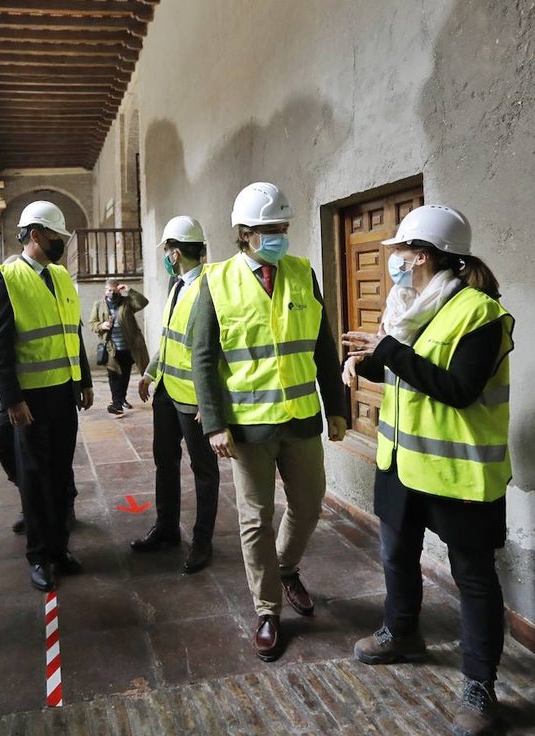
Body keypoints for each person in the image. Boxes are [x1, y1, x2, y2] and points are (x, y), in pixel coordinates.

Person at [341, 205, 514, 736]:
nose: (391, 258)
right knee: (396, 555)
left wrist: (389, 350)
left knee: (474, 580)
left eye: (399, 250)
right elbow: (399, 366)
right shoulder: (406, 306)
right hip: (401, 462)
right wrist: (365, 360)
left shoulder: (480, 313)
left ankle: (480, 689)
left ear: (421, 256)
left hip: (457, 472)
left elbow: (458, 389)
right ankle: (402, 633)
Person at [192, 181, 347, 662]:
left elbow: (322, 345)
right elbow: (203, 357)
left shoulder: (302, 273)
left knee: (309, 505)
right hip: (247, 427)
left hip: (301, 419)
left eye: (283, 227)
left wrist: (337, 406)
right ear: (245, 233)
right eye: (269, 229)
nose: (279, 236)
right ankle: (267, 610)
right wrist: (214, 423)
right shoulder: (216, 280)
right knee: (254, 519)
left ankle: (285, 567)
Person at [0, 200, 93, 592]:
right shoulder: (5, 279)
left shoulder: (60, 276)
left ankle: (59, 549)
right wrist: (12, 400)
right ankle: (39, 556)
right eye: (56, 235)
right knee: (34, 477)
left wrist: (84, 380)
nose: (61, 242)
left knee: (61, 473)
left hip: (63, 392)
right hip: (30, 399)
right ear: (35, 235)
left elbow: (71, 330)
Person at [133, 216, 221, 574]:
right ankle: (166, 528)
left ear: (175, 253)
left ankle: (202, 540)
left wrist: (208, 401)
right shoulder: (178, 285)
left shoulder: (209, 288)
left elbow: (217, 349)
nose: (165, 257)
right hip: (167, 393)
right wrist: (151, 372)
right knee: (165, 461)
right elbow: (170, 337)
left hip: (194, 400)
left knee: (204, 470)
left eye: (167, 250)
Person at [91, 277, 149, 415]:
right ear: (105, 291)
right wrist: (102, 325)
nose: (112, 293)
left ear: (118, 290)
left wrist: (129, 291)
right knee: (113, 375)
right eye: (109, 290)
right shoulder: (99, 305)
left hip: (128, 346)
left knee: (125, 374)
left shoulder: (126, 302)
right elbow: (92, 323)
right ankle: (116, 403)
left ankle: (122, 399)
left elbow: (143, 302)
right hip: (111, 347)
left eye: (114, 290)